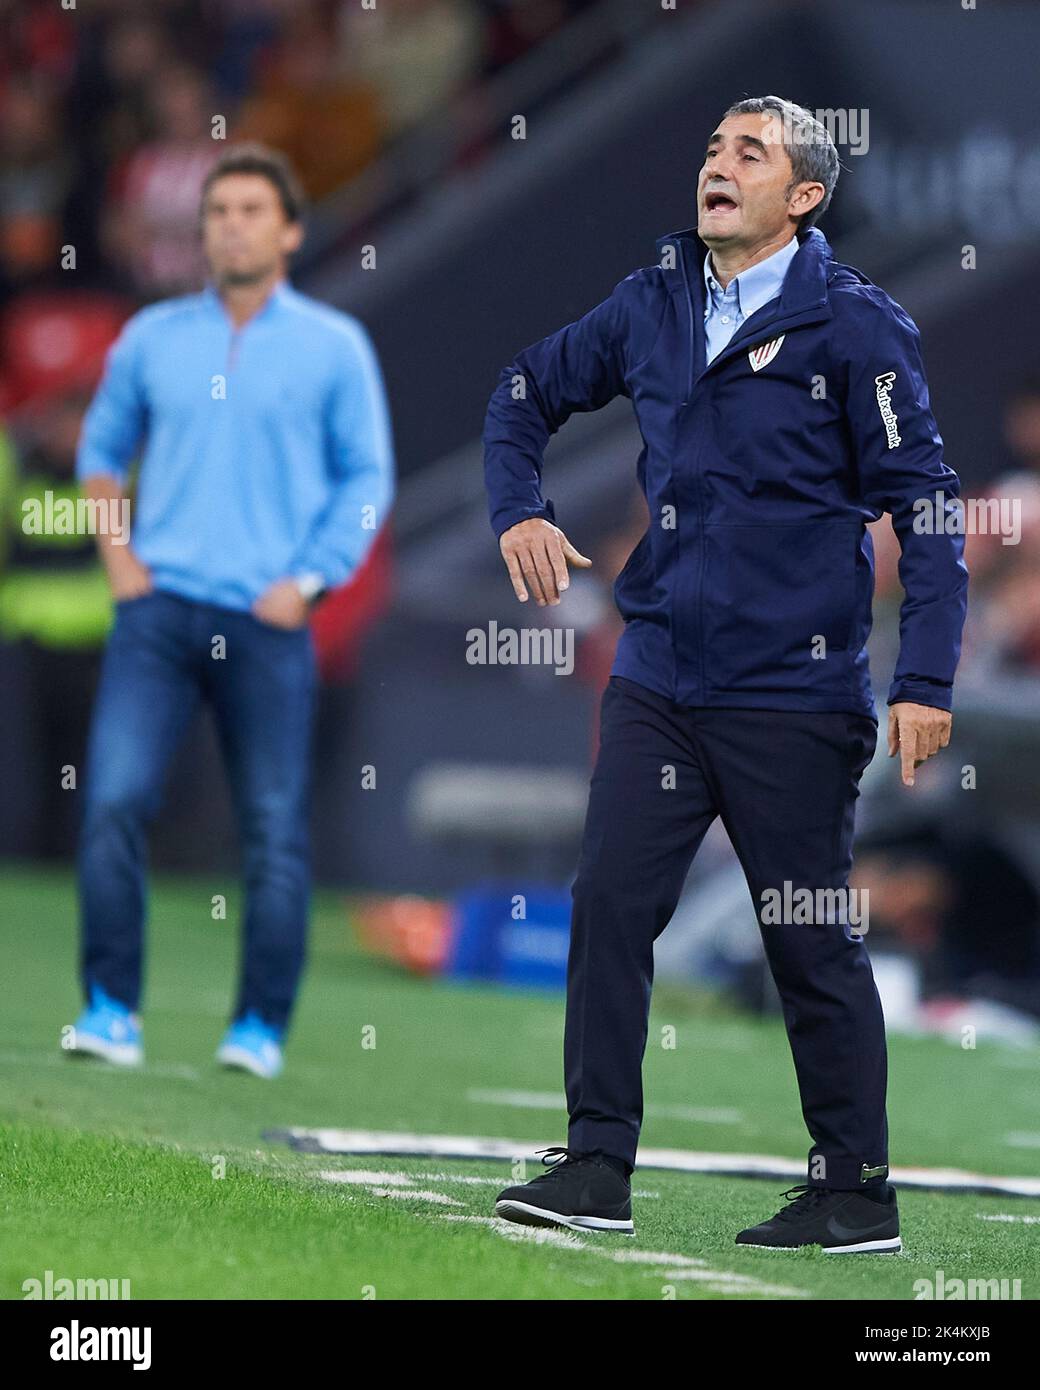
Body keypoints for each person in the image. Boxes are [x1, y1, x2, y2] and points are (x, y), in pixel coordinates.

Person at [483, 97, 968, 1251]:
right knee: (608, 904)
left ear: (802, 195)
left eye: (747, 153)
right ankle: (595, 1163)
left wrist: (928, 679)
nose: (715, 165)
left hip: (791, 692)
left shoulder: (855, 328)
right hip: (658, 673)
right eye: (710, 147)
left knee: (804, 932)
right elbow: (519, 393)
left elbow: (928, 509)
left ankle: (853, 1188)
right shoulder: (650, 301)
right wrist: (518, 511)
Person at [68, 143, 394, 1078]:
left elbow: (367, 479)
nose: (232, 227)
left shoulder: (334, 347)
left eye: (253, 211)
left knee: (274, 829)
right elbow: (99, 450)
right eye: (218, 213)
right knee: (114, 802)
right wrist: (120, 559)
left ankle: (258, 1028)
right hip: (158, 611)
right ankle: (109, 1008)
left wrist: (310, 580)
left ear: (289, 231)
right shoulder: (151, 337)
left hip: (266, 620)